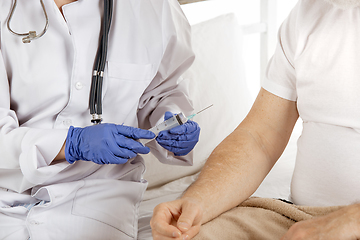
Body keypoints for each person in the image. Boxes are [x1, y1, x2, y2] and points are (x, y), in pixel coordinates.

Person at [150, 0, 360, 239]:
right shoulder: (308, 14)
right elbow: (259, 138)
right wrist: (196, 202)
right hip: (298, 219)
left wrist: (352, 220)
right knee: (187, 236)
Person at [0, 0, 200, 239]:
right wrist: (71, 144)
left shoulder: (154, 7)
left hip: (97, 199)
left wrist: (169, 117)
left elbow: (164, 90)